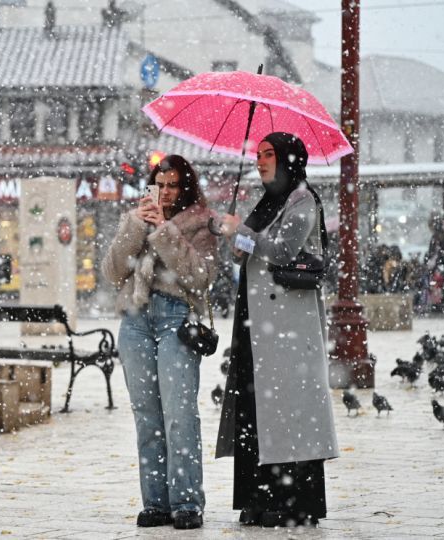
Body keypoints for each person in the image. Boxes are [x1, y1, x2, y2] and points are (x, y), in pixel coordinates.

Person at [216, 132, 338, 528]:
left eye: (268, 155)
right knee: (259, 408)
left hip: (289, 326)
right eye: (257, 155)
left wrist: (243, 234)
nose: (260, 162)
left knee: (290, 410)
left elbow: (283, 250)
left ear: (288, 159)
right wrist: (235, 240)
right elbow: (249, 250)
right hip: (259, 323)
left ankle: (293, 502)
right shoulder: (268, 201)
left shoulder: (301, 198)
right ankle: (258, 498)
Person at [101, 155, 218, 529]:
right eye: (160, 184)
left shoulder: (199, 223)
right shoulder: (136, 218)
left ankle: (186, 501)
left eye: (174, 185)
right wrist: (135, 227)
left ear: (186, 188)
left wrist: (166, 230)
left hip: (176, 320)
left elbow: (200, 277)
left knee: (179, 414)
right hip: (135, 321)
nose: (166, 192)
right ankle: (155, 502)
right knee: (147, 416)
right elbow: (113, 272)